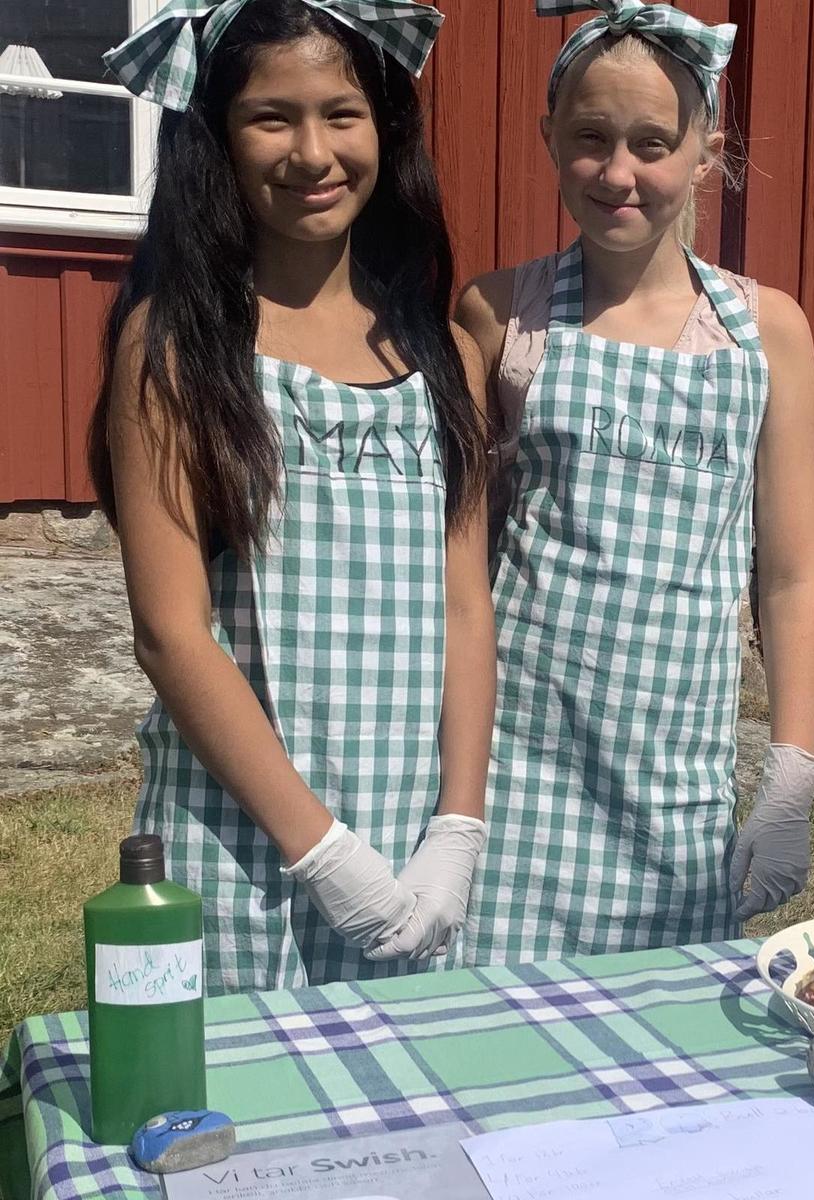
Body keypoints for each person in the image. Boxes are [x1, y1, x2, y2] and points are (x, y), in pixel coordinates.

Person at [91, 0, 495, 993]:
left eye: (341, 113)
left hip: (409, 851)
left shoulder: (446, 357)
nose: (313, 152)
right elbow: (172, 633)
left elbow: (465, 602)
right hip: (245, 851)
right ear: (217, 139)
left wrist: (458, 827)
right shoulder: (178, 349)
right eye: (272, 117)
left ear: (386, 129)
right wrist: (325, 858)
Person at [456, 1, 814, 963]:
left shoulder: (766, 332)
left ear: (706, 150)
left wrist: (791, 774)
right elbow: (457, 563)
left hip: (676, 780)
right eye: (592, 139)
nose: (621, 173)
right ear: (550, 141)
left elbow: (787, 577)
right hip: (518, 769)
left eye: (654, 143)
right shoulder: (502, 316)